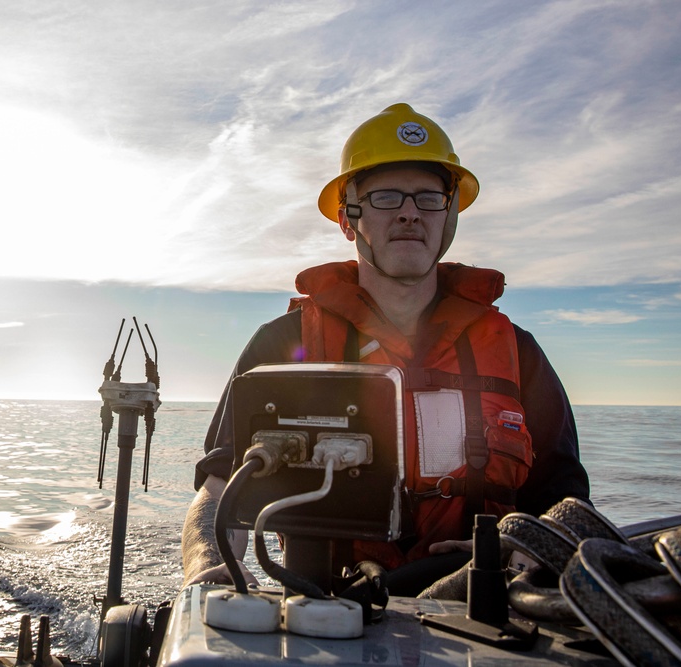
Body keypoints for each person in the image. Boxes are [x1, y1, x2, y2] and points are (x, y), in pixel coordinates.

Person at [181, 103, 590, 589]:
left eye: (428, 197)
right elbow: (217, 489)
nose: (410, 213)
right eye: (386, 197)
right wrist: (207, 567)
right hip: (322, 615)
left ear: (450, 214)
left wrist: (523, 550)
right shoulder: (284, 344)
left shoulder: (518, 353)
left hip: (484, 619)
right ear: (348, 218)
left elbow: (570, 507)